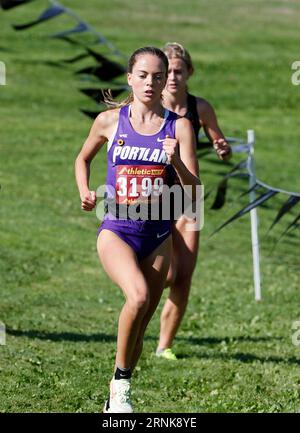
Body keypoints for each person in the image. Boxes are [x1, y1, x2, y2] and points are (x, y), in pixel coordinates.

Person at [74, 46, 200, 413]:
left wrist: (175, 160)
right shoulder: (110, 121)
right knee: (140, 297)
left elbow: (194, 192)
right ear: (130, 77)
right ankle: (121, 388)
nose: (150, 82)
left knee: (140, 325)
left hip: (158, 236)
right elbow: (83, 158)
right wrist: (85, 190)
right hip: (116, 229)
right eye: (142, 75)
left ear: (166, 81)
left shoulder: (180, 127)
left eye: (158, 76)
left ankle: (117, 387)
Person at [155, 42, 232, 361]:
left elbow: (218, 140)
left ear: (190, 73)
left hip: (188, 198)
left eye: (179, 71)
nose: (173, 77)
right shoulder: (150, 104)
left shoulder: (200, 107)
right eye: (168, 72)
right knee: (164, 274)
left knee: (183, 276)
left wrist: (222, 148)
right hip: (156, 198)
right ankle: (137, 304)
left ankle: (164, 346)